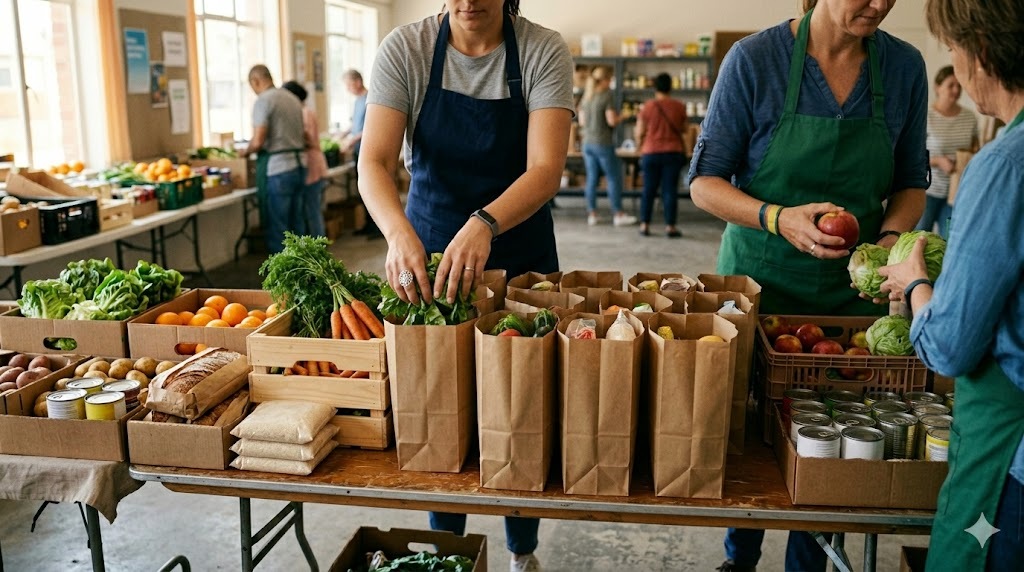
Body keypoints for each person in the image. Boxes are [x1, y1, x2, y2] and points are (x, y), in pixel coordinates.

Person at [687, 0, 929, 570]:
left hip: (853, 301)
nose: (878, 4)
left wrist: (886, 243)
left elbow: (911, 181)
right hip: (762, 283)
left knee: (834, 442)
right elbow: (704, 183)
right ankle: (739, 556)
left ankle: (810, 562)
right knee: (746, 433)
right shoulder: (754, 60)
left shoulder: (904, 67)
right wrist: (777, 217)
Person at [357, 1, 573, 571]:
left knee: (521, 406)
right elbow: (373, 162)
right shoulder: (406, 48)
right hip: (428, 254)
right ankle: (446, 552)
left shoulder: (541, 49)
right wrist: (398, 234)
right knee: (439, 405)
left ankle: (521, 552)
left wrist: (486, 222)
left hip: (521, 249)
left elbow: (545, 169)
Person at [879, 0, 1024, 569]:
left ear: (983, 53)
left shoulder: (1004, 163)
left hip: (1008, 452)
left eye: (957, 52)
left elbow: (951, 345)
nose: (957, 69)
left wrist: (917, 283)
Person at [243, 65, 308, 254]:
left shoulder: (264, 101)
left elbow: (258, 140)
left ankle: (283, 276)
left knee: (278, 226)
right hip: (299, 165)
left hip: (279, 169)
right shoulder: (292, 98)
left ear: (255, 81)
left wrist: (244, 153)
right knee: (297, 224)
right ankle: (305, 271)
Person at [915, 65, 978, 238]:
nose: (956, 90)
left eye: (959, 85)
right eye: (951, 85)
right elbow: (911, 157)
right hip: (927, 190)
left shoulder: (970, 117)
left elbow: (974, 149)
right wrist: (938, 161)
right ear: (937, 87)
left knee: (948, 242)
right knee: (919, 240)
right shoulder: (924, 116)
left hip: (956, 192)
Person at [578, 66, 636, 226]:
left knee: (591, 179)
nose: (610, 83)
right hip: (602, 143)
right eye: (609, 79)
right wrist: (622, 117)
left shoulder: (586, 97)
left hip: (587, 143)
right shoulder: (606, 96)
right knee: (614, 178)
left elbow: (581, 121)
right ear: (603, 80)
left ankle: (592, 214)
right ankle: (618, 214)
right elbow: (611, 120)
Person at [634, 72, 686, 238]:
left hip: (651, 152)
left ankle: (644, 225)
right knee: (669, 190)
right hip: (673, 152)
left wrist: (639, 145)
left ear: (655, 87)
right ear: (671, 87)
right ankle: (670, 227)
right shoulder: (679, 106)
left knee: (648, 189)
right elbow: (685, 129)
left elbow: (639, 131)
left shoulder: (648, 106)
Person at [281, 80, 327, 238]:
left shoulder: (303, 112)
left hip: (311, 163)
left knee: (311, 210)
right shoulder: (307, 110)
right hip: (314, 162)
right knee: (312, 209)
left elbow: (307, 137)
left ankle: (318, 247)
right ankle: (318, 245)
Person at [340, 69, 368, 158]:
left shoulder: (369, 100)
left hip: (367, 147)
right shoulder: (357, 100)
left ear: (358, 82)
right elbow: (356, 123)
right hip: (357, 147)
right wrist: (344, 133)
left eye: (349, 85)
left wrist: (352, 140)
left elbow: (370, 127)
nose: (347, 89)